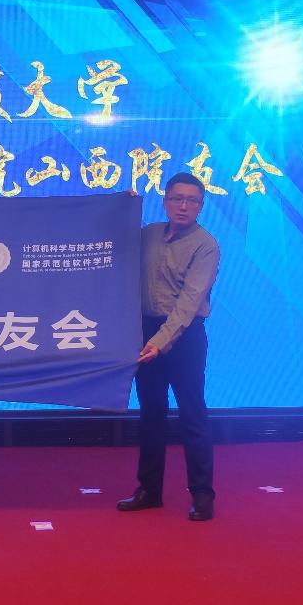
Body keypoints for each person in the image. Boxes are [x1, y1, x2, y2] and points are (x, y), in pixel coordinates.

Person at [118, 172, 220, 521]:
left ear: (201, 206)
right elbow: (114, 245)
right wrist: (121, 208)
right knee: (151, 415)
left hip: (185, 337)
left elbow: (188, 304)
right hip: (146, 332)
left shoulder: (206, 245)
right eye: (177, 198)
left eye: (192, 201)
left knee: (192, 415)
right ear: (165, 201)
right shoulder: (148, 235)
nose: (183, 206)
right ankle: (149, 490)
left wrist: (159, 343)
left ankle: (202, 494)